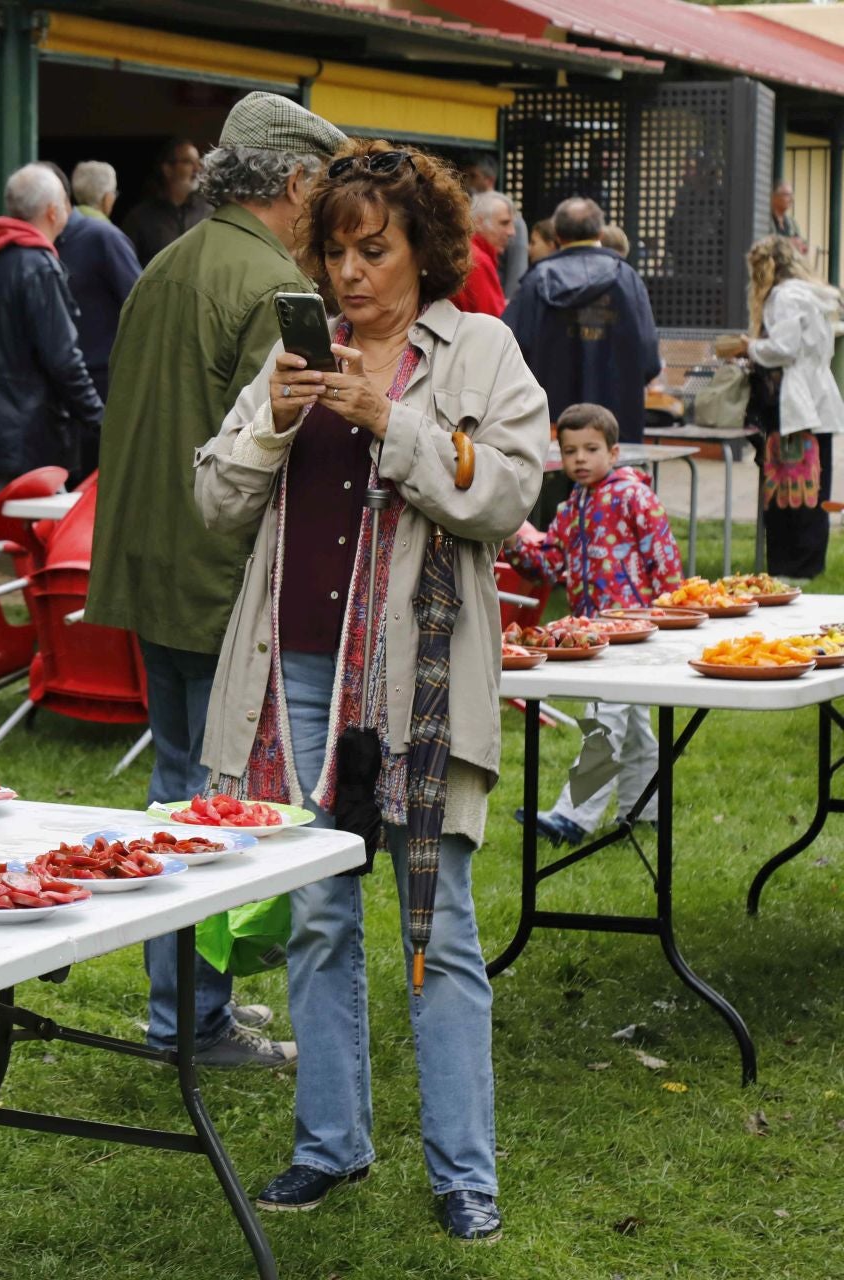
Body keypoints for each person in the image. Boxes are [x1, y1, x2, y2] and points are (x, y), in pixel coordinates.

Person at [196, 140, 545, 1241]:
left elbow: (506, 494)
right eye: (336, 249)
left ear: (424, 251)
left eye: (375, 249)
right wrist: (279, 418)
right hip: (293, 673)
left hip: (418, 678)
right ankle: (329, 1143)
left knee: (437, 928)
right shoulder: (299, 354)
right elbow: (213, 499)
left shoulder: (479, 347)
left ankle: (464, 1173)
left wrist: (388, 419)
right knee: (316, 916)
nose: (351, 274)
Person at [89, 90, 351, 1071]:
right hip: (227, 584)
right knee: (220, 810)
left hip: (153, 572)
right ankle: (194, 1023)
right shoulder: (278, 285)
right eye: (325, 190)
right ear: (294, 183)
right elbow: (288, 447)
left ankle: (180, 1017)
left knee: (175, 795)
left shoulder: (164, 260)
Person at [507, 404, 682, 846]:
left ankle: (573, 817)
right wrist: (510, 537)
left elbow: (663, 557)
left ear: (615, 451)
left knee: (603, 719)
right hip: (596, 634)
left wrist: (672, 614)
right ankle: (644, 812)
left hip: (635, 631)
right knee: (635, 727)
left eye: (590, 449)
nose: (579, 459)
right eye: (570, 451)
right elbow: (550, 563)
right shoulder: (573, 507)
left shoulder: (633, 496)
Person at [0, 164, 102, 509]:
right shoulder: (40, 268)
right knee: (24, 530)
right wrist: (99, 417)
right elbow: (63, 359)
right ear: (54, 212)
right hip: (30, 434)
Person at [503, 196, 659, 452]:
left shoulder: (536, 282)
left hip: (549, 428)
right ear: (600, 231)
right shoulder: (627, 279)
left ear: (557, 234)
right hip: (616, 429)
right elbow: (649, 356)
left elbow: (509, 348)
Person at [731, 235, 844, 581]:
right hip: (817, 398)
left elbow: (784, 347)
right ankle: (808, 562)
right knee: (813, 482)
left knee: (787, 486)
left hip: (793, 401)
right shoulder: (813, 294)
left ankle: (790, 565)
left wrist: (751, 347)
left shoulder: (783, 296)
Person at [55, 161, 141, 482]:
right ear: (108, 198)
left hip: (68, 375)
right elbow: (138, 301)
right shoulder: (107, 237)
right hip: (102, 375)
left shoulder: (62, 235)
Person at [120, 137, 210, 267]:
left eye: (198, 162)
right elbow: (127, 267)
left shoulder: (208, 212)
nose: (197, 169)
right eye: (188, 162)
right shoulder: (139, 218)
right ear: (168, 169)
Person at [451, 191, 513, 317]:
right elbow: (494, 324)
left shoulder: (466, 252)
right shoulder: (478, 260)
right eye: (504, 223)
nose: (511, 232)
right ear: (479, 223)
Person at [769, 181, 809, 257]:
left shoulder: (792, 223)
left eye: (792, 195)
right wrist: (789, 243)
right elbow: (762, 245)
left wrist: (803, 246)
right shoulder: (764, 220)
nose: (792, 199)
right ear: (774, 197)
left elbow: (801, 244)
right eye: (787, 195)